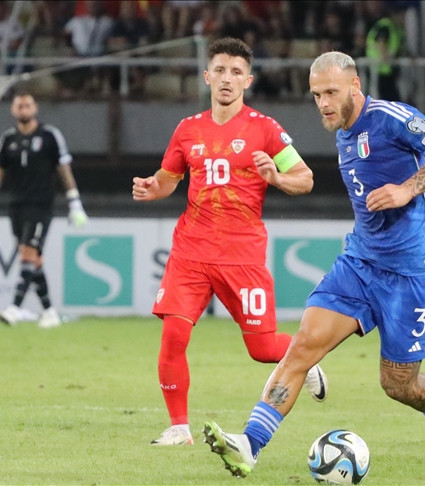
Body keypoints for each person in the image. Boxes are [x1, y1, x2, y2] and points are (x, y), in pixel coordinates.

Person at [202, 51, 425, 478]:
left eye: (331, 92)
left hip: (413, 273)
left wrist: (406, 189)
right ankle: (250, 445)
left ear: (355, 86)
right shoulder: (344, 132)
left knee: (398, 385)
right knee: (302, 347)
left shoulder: (390, 118)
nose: (323, 103)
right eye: (316, 95)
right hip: (359, 264)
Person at [131, 37, 327, 447]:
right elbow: (169, 178)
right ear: (207, 76)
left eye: (236, 72)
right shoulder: (188, 129)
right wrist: (153, 187)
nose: (227, 78)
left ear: (248, 81)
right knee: (174, 335)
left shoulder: (265, 129)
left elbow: (306, 179)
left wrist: (275, 177)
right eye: (220, 70)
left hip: (242, 255)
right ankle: (179, 427)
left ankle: (305, 362)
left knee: (262, 348)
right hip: (191, 250)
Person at [0, 90, 87, 329]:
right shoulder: (7, 139)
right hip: (16, 205)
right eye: (19, 106)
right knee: (33, 259)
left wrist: (74, 201)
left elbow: (63, 169)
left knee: (28, 254)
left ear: (35, 108)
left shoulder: (49, 136)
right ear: (13, 110)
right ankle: (49, 312)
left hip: (41, 205)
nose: (23, 109)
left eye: (27, 105)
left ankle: (15, 307)